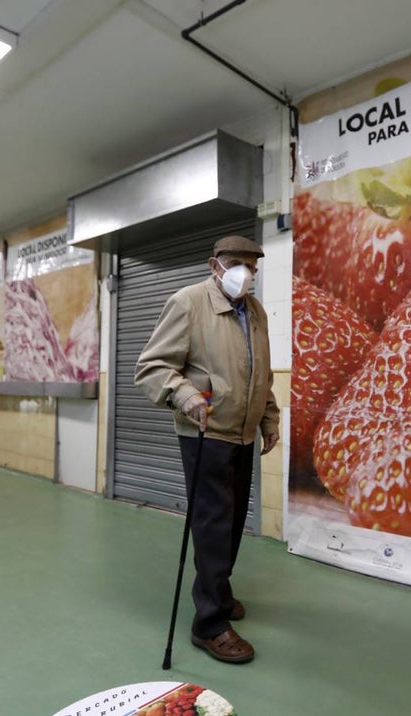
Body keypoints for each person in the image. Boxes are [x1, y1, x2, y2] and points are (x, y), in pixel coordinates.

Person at [134, 235, 280, 665]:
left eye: (252, 266)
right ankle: (209, 624)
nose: (245, 273)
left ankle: (219, 591)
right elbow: (152, 366)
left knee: (231, 523)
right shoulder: (188, 303)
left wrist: (269, 420)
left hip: (243, 433)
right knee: (213, 523)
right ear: (214, 265)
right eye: (236, 263)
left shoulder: (255, 311)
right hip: (206, 429)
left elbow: (262, 374)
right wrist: (185, 396)